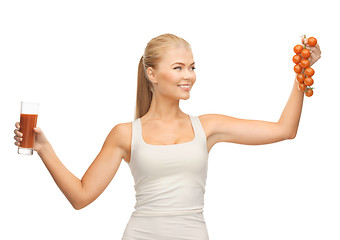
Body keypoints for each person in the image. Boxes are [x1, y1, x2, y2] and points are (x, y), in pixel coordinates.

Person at [14, 33, 321, 239]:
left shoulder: (207, 127)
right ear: (152, 74)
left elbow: (284, 130)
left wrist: (302, 73)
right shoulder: (125, 134)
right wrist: (44, 148)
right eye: (178, 68)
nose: (189, 76)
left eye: (191, 67)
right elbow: (81, 197)